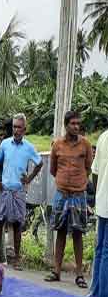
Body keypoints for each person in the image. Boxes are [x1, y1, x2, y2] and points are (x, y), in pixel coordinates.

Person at [47, 111, 93, 287]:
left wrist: (77, 181)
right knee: (60, 231)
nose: (76, 126)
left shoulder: (86, 145)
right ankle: (56, 271)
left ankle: (79, 274)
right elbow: (53, 169)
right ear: (66, 125)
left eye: (78, 124)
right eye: (73, 123)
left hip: (78, 194)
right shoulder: (57, 145)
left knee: (78, 233)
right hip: (61, 194)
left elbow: (88, 167)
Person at [0, 113, 43, 268]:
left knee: (17, 224)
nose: (16, 130)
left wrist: (29, 178)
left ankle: (16, 258)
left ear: (24, 129)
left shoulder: (29, 147)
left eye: (19, 127)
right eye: (14, 127)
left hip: (19, 190)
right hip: (5, 189)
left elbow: (39, 163)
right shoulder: (5, 144)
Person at [90, 128, 108, 297]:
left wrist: (99, 194)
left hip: (102, 202)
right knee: (106, 252)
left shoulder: (103, 136)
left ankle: (96, 296)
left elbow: (94, 172)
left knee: (100, 249)